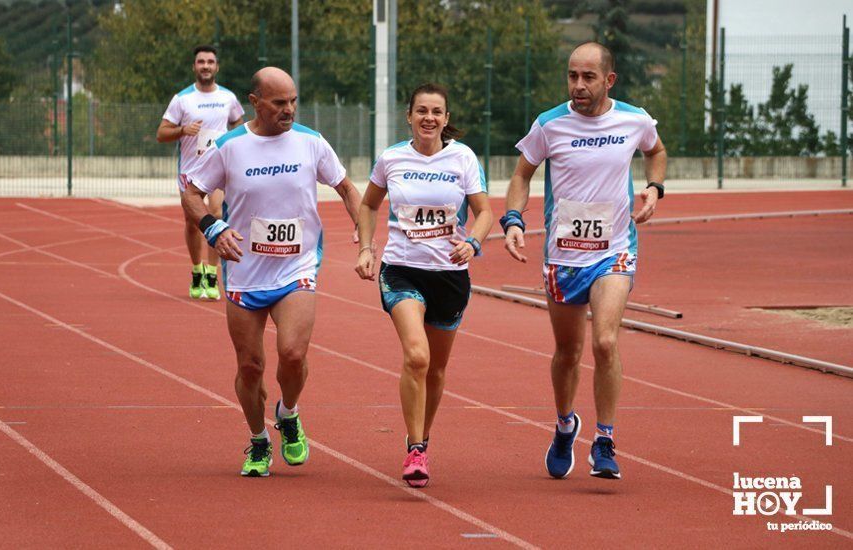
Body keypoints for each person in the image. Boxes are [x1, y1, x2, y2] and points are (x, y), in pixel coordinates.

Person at [181, 66, 362, 477]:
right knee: (250, 366)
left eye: (293, 101)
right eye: (279, 102)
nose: (289, 110)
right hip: (245, 270)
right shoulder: (230, 147)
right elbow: (192, 193)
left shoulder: (311, 143)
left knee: (293, 354)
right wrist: (213, 228)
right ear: (255, 102)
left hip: (297, 266)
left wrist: (362, 232)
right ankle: (258, 440)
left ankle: (289, 412)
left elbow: (348, 188)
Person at [501, 42, 667, 480]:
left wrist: (654, 188)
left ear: (608, 80)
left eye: (588, 77)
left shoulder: (634, 119)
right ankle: (563, 424)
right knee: (568, 352)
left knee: (605, 342)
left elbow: (656, 151)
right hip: (563, 256)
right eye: (572, 76)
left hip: (614, 250)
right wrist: (513, 219)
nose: (578, 85)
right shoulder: (549, 124)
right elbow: (522, 174)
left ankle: (606, 440)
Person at [355, 83, 493, 488]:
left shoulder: (463, 157)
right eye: (421, 111)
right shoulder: (392, 158)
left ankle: (423, 437)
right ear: (409, 116)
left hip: (449, 275)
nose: (429, 118)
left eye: (437, 112)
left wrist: (473, 242)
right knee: (417, 356)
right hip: (402, 270)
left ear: (446, 119)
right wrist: (367, 246)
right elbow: (368, 204)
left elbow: (484, 211)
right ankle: (415, 449)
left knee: (436, 368)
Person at [157, 44, 244, 300]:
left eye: (210, 62)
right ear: (194, 66)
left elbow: (239, 122)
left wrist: (232, 137)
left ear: (217, 66)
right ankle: (197, 271)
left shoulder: (228, 97)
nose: (205, 66)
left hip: (218, 168)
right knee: (192, 222)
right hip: (190, 170)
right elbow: (161, 133)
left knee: (216, 214)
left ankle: (212, 273)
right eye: (201, 62)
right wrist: (183, 130)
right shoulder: (182, 99)